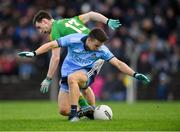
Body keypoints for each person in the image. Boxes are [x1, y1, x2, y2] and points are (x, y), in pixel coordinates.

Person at [18, 28, 150, 121]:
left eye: (100, 46)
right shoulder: (73, 39)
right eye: (97, 45)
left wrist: (135, 74)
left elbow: (118, 63)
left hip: (87, 72)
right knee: (63, 110)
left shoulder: (102, 50)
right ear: (89, 39)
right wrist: (34, 53)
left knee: (74, 79)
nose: (99, 48)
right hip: (67, 72)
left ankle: (75, 114)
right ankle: (89, 111)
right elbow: (52, 44)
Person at [20, 10, 121, 117]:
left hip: (91, 53)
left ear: (45, 21)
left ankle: (89, 110)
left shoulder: (55, 30)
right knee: (77, 83)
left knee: (72, 81)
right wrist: (107, 20)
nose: (40, 31)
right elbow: (91, 15)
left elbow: (55, 58)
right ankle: (90, 111)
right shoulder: (69, 20)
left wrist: (48, 78)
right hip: (91, 52)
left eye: (39, 27)